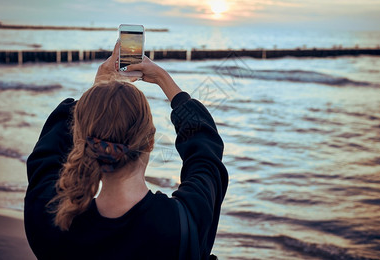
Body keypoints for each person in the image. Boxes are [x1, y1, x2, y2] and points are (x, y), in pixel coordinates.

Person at [24, 39, 229, 260]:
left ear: (82, 140)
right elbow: (205, 157)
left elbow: (47, 156)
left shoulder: (54, 221)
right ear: (150, 142)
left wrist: (97, 92)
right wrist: (163, 79)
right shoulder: (182, 225)